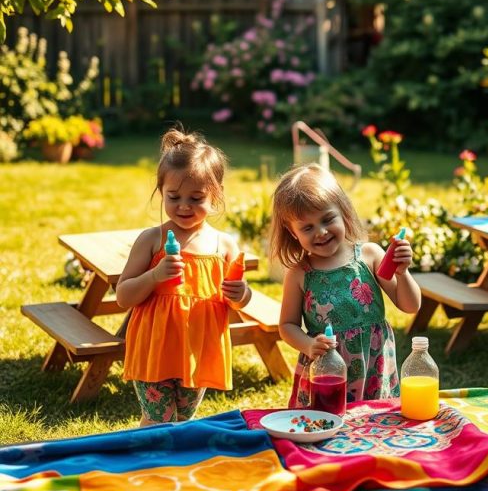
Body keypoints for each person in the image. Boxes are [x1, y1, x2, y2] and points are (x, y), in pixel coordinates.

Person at [117, 127, 251, 425]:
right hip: (154, 348)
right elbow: (123, 296)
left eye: (196, 197)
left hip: (197, 352)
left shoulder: (223, 245)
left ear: (215, 196)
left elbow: (240, 302)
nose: (184, 206)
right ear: (161, 192)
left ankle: (175, 469)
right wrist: (154, 276)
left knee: (183, 420)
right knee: (157, 422)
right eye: (174, 197)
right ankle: (146, 467)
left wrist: (241, 294)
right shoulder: (152, 239)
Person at [270, 163, 421, 406]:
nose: (320, 232)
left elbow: (410, 305)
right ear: (292, 231)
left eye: (327, 219)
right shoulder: (299, 273)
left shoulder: (369, 256)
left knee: (373, 424)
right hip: (326, 370)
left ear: (343, 211)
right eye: (307, 227)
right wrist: (308, 345)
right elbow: (287, 326)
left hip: (373, 365)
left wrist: (403, 274)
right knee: (325, 425)